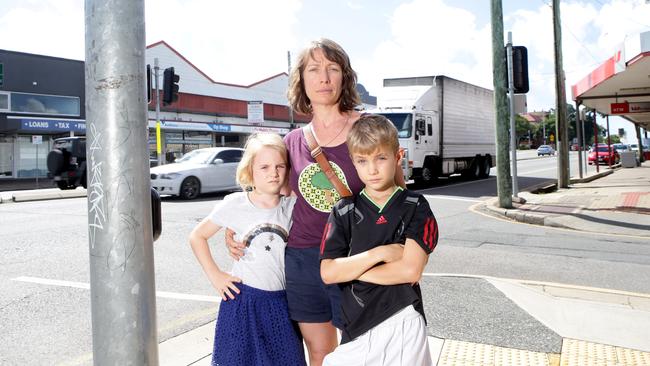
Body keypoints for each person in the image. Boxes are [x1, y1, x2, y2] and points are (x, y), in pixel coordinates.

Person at [319, 114, 438, 366]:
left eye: (381, 158)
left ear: (398, 156)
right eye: (362, 161)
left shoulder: (415, 206)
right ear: (353, 161)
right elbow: (328, 273)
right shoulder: (344, 210)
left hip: (402, 317)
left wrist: (350, 270)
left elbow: (409, 270)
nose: (372, 169)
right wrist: (381, 253)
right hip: (355, 324)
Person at [189, 133, 306, 366]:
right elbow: (197, 236)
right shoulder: (235, 204)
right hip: (243, 301)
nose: (273, 172)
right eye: (264, 167)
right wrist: (216, 276)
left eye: (279, 166)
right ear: (249, 171)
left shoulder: (292, 206)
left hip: (281, 302)